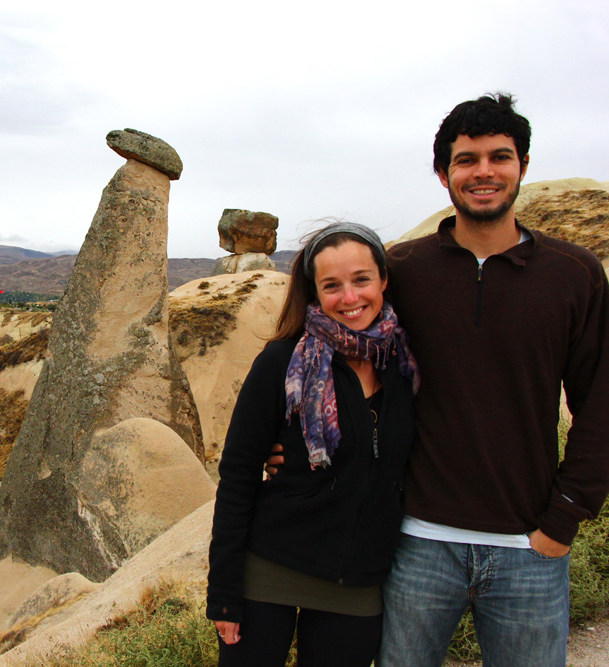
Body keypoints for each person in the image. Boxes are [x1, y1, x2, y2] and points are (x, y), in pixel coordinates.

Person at [370, 93, 609, 666]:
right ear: (443, 173)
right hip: (417, 542)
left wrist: (565, 517)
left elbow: (600, 403)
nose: (483, 172)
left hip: (531, 548)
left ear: (522, 166)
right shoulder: (402, 271)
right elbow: (342, 370)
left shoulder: (574, 275)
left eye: (499, 157)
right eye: (466, 159)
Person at [207, 222, 420, 666]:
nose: (350, 297)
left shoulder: (406, 363)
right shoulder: (283, 361)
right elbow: (239, 473)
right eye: (332, 285)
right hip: (268, 573)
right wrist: (224, 589)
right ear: (314, 293)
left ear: (383, 279)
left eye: (361, 280)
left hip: (358, 585)